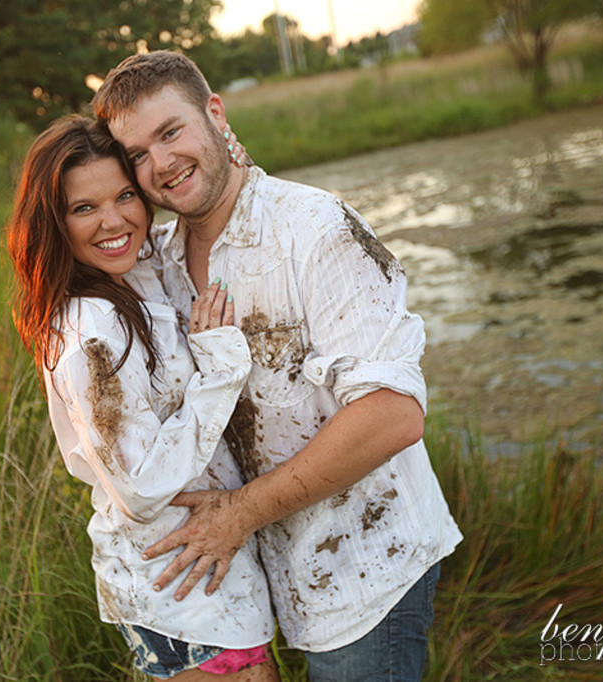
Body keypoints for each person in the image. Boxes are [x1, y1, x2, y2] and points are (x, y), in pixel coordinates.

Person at [91, 52, 463, 682]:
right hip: (254, 585)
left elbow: (393, 415)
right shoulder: (154, 260)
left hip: (362, 571)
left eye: (171, 132)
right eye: (136, 154)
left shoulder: (316, 230)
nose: (160, 163)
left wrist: (238, 514)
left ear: (215, 114)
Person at [4, 114, 279, 680]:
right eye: (84, 208)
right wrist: (220, 368)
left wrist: (225, 152)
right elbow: (140, 486)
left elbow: (200, 211)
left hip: (201, 580)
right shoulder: (94, 333)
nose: (115, 221)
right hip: (182, 589)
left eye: (125, 195)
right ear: (53, 222)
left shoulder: (130, 273)